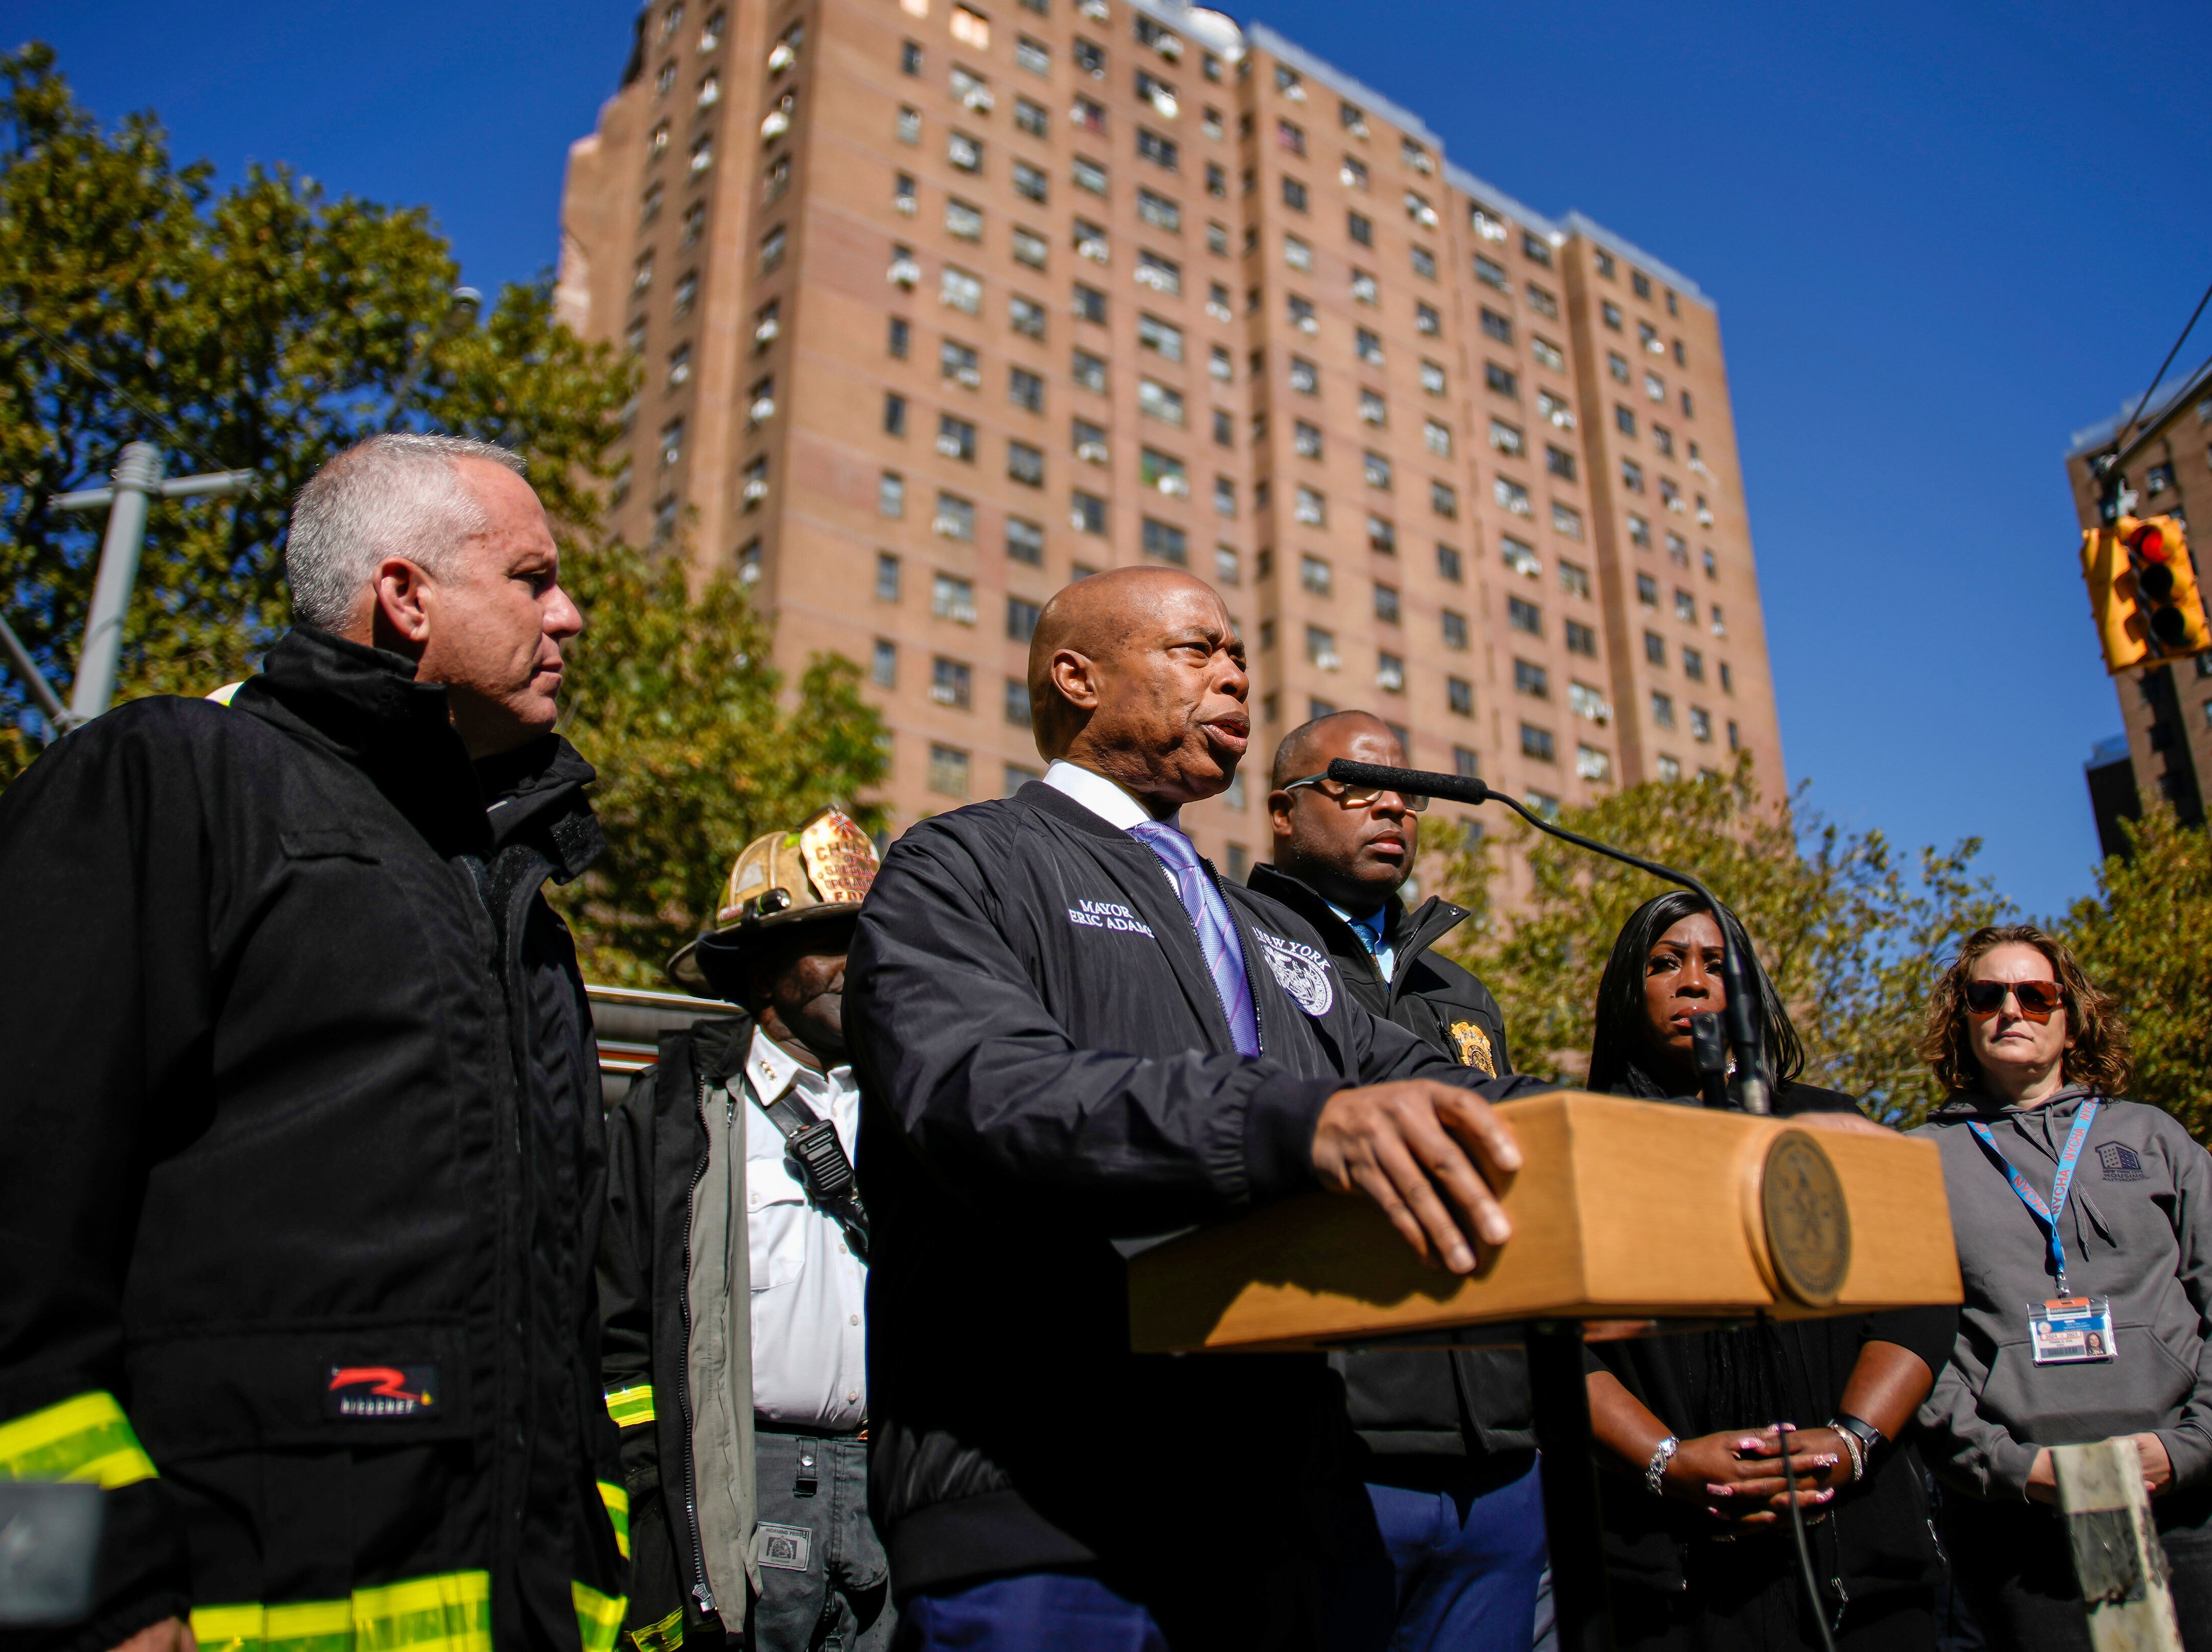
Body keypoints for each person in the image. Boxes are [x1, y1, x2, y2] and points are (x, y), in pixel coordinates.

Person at [0, 434, 624, 1648]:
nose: (571, 615)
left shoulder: (517, 913)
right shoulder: (166, 779)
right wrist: (90, 1594)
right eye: (533, 579)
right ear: (404, 597)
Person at [841, 567, 1545, 1650]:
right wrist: (1289, 1121)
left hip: (1292, 1510)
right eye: (1197, 650)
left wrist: (1708, 1136)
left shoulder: (1263, 931)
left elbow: (1432, 1085)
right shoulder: (962, 864)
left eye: (1241, 657)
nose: (1235, 675)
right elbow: (986, 1093)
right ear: (1077, 677)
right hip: (1049, 1507)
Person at [1577, 891, 1955, 1651]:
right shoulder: (1582, 1145)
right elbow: (1555, 1348)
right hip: (1667, 1582)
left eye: (1716, 964)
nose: (1692, 980)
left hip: (1856, 1562)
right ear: (1628, 987)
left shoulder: (1832, 1122)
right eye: (1665, 962)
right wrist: (1669, 1461)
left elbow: (1920, 1298)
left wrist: (1848, 1443)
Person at [1248, 710, 1544, 1651]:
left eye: (1409, 792)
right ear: (1282, 811)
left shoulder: (1461, 994)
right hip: (1322, 1449)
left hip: (1498, 1460)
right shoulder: (1228, 946)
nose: (1392, 805)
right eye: (1355, 783)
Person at [1914, 925, 2212, 1652]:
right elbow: (1913, 1347)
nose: (2010, 1009)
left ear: (2071, 1014)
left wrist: (2193, 1447)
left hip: (2196, 1504)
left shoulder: (2154, 1137)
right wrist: (2011, 1466)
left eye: (2034, 993)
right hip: (2022, 1517)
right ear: (1962, 1018)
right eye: (1987, 995)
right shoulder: (1916, 1160)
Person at [600, 812, 893, 1652]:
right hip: (741, 1487)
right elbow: (617, 1326)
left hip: (888, 1490)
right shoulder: (676, 1119)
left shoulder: (915, 1105)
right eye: (828, 937)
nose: (856, 962)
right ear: (760, 961)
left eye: (867, 937)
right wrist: (653, 1499)